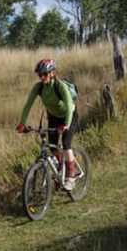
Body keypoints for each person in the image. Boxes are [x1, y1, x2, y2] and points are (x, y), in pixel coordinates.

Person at [16, 59, 81, 190]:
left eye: (44, 74)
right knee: (52, 147)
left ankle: (71, 175)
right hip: (53, 117)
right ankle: (60, 170)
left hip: (69, 116)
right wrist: (22, 123)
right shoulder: (39, 87)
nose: (42, 77)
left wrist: (67, 124)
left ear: (52, 73)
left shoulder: (59, 86)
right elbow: (28, 105)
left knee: (66, 145)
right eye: (40, 75)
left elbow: (69, 105)